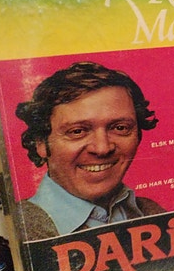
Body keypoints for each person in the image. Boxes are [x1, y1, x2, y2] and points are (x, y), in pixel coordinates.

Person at [15, 61, 164, 240]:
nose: (102, 148)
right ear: (40, 143)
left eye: (120, 128)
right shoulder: (14, 230)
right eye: (77, 131)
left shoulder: (152, 212)